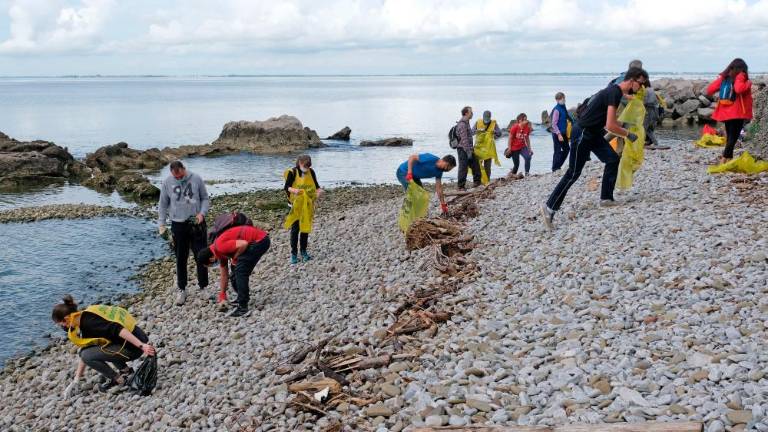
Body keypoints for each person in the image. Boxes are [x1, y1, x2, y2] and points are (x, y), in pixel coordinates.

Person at [540, 67, 648, 230]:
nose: (641, 87)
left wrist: (629, 123)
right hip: (582, 133)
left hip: (593, 133)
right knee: (573, 173)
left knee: (612, 159)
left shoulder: (615, 92)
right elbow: (610, 125)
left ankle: (606, 198)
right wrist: (628, 134)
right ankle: (549, 208)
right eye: (641, 84)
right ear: (632, 80)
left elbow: (608, 120)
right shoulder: (614, 93)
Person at [51, 295, 156, 395]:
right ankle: (126, 372)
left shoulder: (90, 323)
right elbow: (86, 349)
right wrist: (76, 380)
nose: (64, 328)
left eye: (62, 325)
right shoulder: (85, 316)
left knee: (87, 354)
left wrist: (142, 346)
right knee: (88, 351)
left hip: (133, 348)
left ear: (67, 319)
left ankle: (119, 380)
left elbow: (118, 329)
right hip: (133, 339)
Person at [158, 160, 210, 306]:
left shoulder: (196, 178)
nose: (179, 179)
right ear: (172, 173)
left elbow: (205, 199)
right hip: (178, 225)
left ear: (184, 169)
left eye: (181, 176)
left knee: (202, 256)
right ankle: (182, 289)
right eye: (176, 177)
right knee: (181, 258)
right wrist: (161, 224)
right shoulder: (167, 182)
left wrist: (202, 213)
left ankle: (203, 287)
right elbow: (162, 204)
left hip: (197, 223)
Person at [197, 224, 271, 317]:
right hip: (258, 240)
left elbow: (243, 244)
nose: (212, 266)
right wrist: (222, 296)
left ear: (211, 259)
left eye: (209, 265)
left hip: (260, 241)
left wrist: (235, 258)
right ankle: (241, 297)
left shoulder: (220, 246)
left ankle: (243, 307)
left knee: (240, 272)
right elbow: (224, 275)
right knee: (234, 273)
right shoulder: (217, 251)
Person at [706, 58, 753, 164]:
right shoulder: (741, 75)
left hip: (725, 112)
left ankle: (729, 158)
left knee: (730, 136)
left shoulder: (725, 77)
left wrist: (722, 79)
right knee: (733, 137)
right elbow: (739, 89)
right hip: (738, 112)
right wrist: (748, 83)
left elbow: (709, 90)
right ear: (743, 68)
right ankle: (724, 158)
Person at [284, 155, 324, 264]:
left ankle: (304, 251)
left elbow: (316, 186)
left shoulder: (311, 172)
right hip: (294, 205)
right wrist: (294, 190)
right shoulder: (292, 172)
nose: (306, 168)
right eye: (305, 166)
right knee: (295, 229)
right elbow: (286, 187)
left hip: (307, 204)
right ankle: (293, 254)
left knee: (305, 228)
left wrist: (320, 191)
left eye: (308, 166)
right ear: (299, 163)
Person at [455, 106, 482, 190]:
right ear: (466, 113)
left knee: (475, 165)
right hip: (463, 149)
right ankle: (461, 186)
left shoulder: (467, 122)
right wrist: (468, 151)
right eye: (471, 112)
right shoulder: (462, 124)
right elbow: (464, 139)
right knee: (463, 167)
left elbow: (469, 134)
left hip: (469, 149)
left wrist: (478, 131)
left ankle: (477, 183)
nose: (472, 113)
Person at [472, 110, 502, 179]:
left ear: (490, 117)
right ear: (483, 117)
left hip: (488, 148)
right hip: (478, 148)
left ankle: (487, 180)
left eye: (488, 119)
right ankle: (477, 180)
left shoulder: (494, 123)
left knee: (487, 167)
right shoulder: (478, 122)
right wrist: (477, 131)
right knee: (477, 165)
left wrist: (495, 132)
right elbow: (471, 132)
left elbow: (500, 133)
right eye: (485, 119)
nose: (486, 121)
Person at [550, 92, 574, 171]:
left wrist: (573, 121)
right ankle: (555, 168)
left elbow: (566, 115)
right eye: (561, 99)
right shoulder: (557, 109)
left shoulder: (563, 106)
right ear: (557, 100)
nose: (563, 100)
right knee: (557, 150)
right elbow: (553, 123)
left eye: (563, 98)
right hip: (557, 133)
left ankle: (558, 165)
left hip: (563, 132)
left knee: (567, 149)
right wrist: (559, 134)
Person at [642, 80, 661, 148]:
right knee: (649, 128)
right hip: (654, 111)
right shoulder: (651, 90)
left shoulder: (646, 91)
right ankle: (651, 142)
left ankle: (655, 142)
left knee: (645, 127)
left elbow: (647, 101)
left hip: (649, 111)